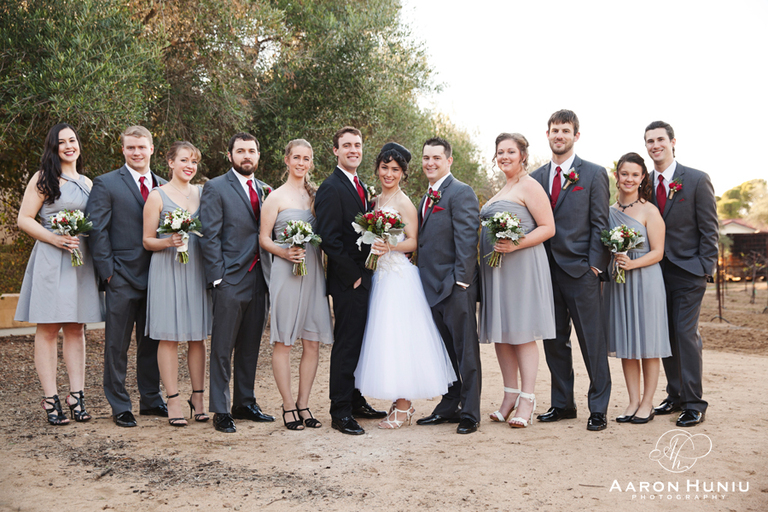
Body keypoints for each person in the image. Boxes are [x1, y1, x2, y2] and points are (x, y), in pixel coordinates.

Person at [353, 143, 456, 429]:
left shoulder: (404, 202)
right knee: (384, 340)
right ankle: (398, 401)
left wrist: (390, 246)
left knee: (398, 339)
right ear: (377, 169)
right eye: (384, 168)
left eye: (395, 170)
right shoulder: (374, 201)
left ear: (403, 173)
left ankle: (403, 405)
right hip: (379, 276)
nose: (389, 174)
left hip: (397, 278)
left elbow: (414, 241)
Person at [529, 110, 611, 431]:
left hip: (581, 273)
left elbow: (600, 224)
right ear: (547, 134)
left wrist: (594, 267)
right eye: (554, 130)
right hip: (545, 273)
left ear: (576, 135)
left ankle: (598, 408)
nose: (559, 135)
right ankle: (563, 404)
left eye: (565, 130)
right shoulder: (535, 177)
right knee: (554, 341)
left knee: (592, 342)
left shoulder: (593, 173)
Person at [15, 123, 102, 425]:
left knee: (76, 328)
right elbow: (24, 219)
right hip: (52, 259)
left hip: (80, 260)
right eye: (61, 142)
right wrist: (54, 239)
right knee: (49, 329)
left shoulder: (88, 182)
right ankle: (51, 398)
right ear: (53, 147)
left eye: (72, 140)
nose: (68, 146)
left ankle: (77, 396)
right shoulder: (43, 178)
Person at [87, 126, 167, 427]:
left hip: (157, 277)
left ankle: (151, 399)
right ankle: (120, 404)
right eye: (131, 147)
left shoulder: (163, 185)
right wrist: (108, 273)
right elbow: (97, 230)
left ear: (151, 149)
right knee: (116, 347)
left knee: (152, 343)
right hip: (120, 277)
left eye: (141, 147)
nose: (136, 152)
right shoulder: (106, 183)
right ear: (123, 149)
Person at [199, 132, 275, 433]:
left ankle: (244, 402)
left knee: (250, 345)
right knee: (222, 347)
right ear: (230, 155)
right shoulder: (216, 187)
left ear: (258, 156)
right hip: (230, 279)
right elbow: (209, 235)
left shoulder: (266, 190)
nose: (247, 156)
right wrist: (218, 277)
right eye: (241, 151)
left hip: (260, 278)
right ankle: (221, 409)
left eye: (251, 151)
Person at [478, 133, 556, 428]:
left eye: (511, 151)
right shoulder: (503, 188)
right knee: (502, 333)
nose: (505, 156)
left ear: (523, 155)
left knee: (522, 331)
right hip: (497, 270)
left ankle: (527, 399)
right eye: (500, 152)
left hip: (522, 266)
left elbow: (548, 227)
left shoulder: (530, 185)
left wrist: (516, 243)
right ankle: (509, 395)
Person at [314, 126, 387, 436]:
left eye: (357, 145)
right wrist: (354, 276)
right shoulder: (331, 187)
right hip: (349, 281)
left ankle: (356, 400)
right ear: (336, 151)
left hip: (366, 276)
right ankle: (340, 411)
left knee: (359, 341)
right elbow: (327, 238)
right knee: (346, 345)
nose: (353, 150)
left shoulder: (360, 186)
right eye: (346, 145)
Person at [645, 121, 718, 427]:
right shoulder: (645, 183)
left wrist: (704, 268)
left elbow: (710, 229)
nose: (655, 145)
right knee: (665, 334)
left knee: (685, 334)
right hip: (654, 273)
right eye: (649, 141)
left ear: (673, 142)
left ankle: (693, 403)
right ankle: (674, 395)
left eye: (660, 139)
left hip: (689, 272)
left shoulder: (697, 179)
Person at [259, 139, 333, 431]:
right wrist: (284, 252)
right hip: (286, 271)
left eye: (306, 158)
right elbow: (264, 239)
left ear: (311, 162)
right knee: (285, 341)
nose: (301, 163)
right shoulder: (274, 197)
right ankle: (288, 405)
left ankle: (304, 404)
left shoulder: (316, 197)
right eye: (297, 157)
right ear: (287, 160)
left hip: (313, 271)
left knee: (312, 342)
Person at [415, 137, 482, 435]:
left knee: (466, 352)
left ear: (449, 160)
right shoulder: (426, 197)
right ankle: (449, 406)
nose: (430, 163)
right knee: (444, 351)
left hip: (455, 287)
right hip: (430, 288)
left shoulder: (461, 192)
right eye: (426, 158)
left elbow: (467, 239)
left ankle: (470, 412)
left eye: (436, 158)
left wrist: (461, 281)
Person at [143, 141, 212, 427]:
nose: (189, 166)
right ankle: (172, 400)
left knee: (198, 336)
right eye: (184, 160)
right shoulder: (157, 196)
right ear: (170, 162)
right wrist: (168, 242)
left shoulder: (203, 193)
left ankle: (198, 398)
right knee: (168, 337)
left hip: (196, 269)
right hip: (167, 269)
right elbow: (147, 241)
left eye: (194, 161)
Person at [603, 152, 670, 424]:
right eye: (624, 174)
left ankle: (647, 403)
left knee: (648, 343)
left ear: (642, 178)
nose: (629, 179)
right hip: (619, 284)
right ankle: (632, 401)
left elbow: (658, 252)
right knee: (626, 341)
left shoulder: (649, 210)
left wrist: (632, 264)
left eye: (635, 174)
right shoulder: (609, 212)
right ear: (617, 176)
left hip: (646, 281)